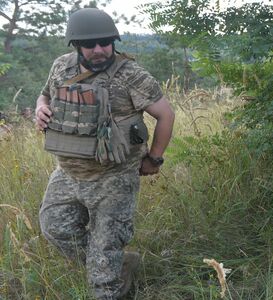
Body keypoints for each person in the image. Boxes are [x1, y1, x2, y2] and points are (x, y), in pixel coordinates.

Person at [33, 8, 175, 299]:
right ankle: (120, 264)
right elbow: (45, 93)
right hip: (68, 173)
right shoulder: (62, 66)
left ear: (114, 41)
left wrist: (154, 159)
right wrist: (40, 107)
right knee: (54, 229)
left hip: (114, 177)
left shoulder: (131, 75)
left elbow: (166, 115)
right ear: (75, 45)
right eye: (90, 44)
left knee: (103, 276)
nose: (99, 49)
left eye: (106, 42)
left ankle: (109, 272)